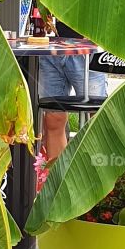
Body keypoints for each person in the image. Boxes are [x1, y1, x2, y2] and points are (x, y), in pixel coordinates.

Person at [37, 10, 108, 159]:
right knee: (53, 118)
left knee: (97, 119)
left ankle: (96, 173)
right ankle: (57, 173)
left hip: (88, 48)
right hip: (51, 47)